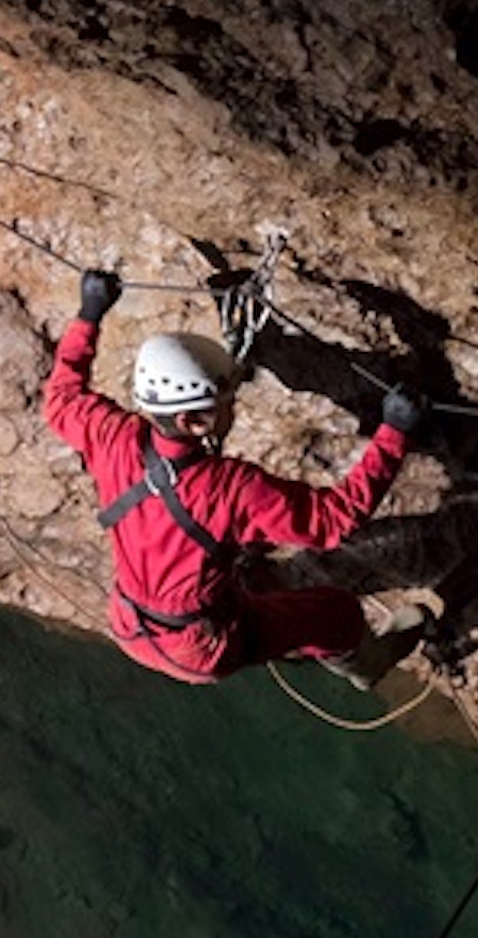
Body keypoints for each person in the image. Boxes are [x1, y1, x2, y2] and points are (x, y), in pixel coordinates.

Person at [44, 269, 432, 688]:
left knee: (246, 579)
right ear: (193, 421)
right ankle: (366, 666)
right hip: (202, 647)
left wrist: (90, 312)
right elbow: (332, 520)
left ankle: (274, 631)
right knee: (335, 612)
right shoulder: (230, 490)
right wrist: (394, 434)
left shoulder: (113, 438)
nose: (234, 407)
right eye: (226, 400)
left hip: (132, 625)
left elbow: (62, 398)